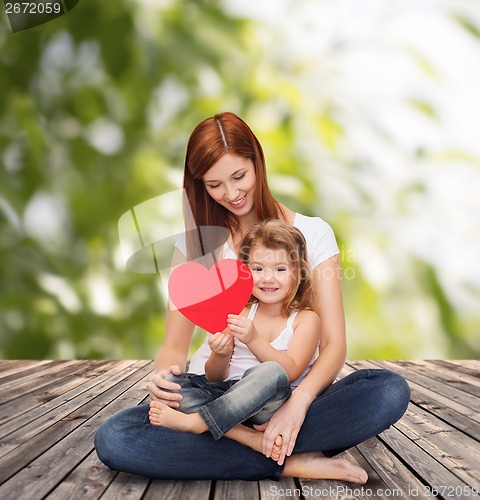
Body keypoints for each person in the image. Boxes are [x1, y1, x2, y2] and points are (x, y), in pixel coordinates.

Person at [94, 112, 410, 482]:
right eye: (214, 184)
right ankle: (286, 459)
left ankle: (255, 441)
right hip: (212, 391)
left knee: (387, 390)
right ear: (200, 185)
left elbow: (334, 345)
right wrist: (163, 380)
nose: (231, 194)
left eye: (239, 176)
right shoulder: (195, 245)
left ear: (257, 162)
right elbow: (173, 347)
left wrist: (296, 405)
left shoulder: (313, 233)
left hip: (285, 396)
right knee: (114, 437)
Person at [149, 220, 365, 476]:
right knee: (174, 381)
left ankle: (199, 424)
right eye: (258, 268)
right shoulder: (240, 312)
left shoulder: (306, 319)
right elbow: (215, 377)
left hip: (270, 407)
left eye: (280, 269)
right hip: (228, 400)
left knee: (270, 372)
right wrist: (220, 354)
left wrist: (254, 340)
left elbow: (290, 371)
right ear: (245, 272)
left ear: (298, 273)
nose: (268, 278)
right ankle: (246, 438)